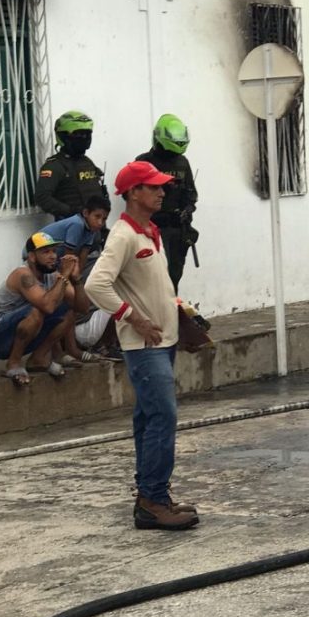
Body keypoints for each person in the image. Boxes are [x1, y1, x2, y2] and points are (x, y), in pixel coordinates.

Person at [85, 160, 199, 531]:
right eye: (153, 187)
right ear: (133, 193)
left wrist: (176, 309)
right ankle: (152, 499)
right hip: (143, 344)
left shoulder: (149, 231)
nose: (162, 192)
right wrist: (132, 318)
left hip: (161, 340)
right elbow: (95, 285)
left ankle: (152, 496)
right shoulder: (123, 236)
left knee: (150, 419)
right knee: (162, 417)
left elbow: (151, 285)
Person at [0, 232, 89, 385]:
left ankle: (38, 358)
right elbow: (48, 306)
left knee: (69, 311)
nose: (53, 256)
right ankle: (13, 363)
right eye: (46, 252)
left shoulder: (53, 276)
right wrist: (64, 274)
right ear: (31, 257)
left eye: (53, 251)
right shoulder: (23, 274)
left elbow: (83, 308)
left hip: (24, 334)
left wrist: (77, 280)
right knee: (37, 310)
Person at [136, 113, 198, 293]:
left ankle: (172, 314)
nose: (173, 155)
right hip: (153, 228)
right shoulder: (145, 161)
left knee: (173, 277)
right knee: (155, 278)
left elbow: (191, 193)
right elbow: (133, 195)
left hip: (178, 229)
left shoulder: (182, 162)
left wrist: (188, 208)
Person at [35, 111, 109, 220]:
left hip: (95, 229)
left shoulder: (87, 162)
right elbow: (42, 197)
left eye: (87, 134)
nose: (84, 137)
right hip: (71, 228)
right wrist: (71, 211)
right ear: (63, 136)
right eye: (79, 134)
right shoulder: (55, 165)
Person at [31, 194, 110, 280]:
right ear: (86, 213)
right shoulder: (77, 224)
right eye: (97, 216)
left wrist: (78, 277)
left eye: (104, 219)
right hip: (34, 252)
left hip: (51, 258)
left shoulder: (91, 230)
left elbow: (84, 255)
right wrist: (68, 279)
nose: (100, 223)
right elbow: (68, 257)